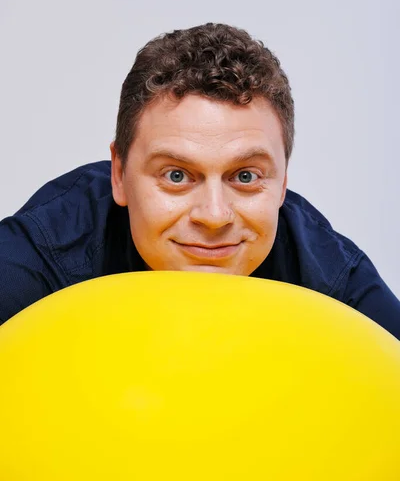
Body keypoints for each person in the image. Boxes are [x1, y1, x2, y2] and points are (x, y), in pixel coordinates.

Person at [0, 23, 399, 339]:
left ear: (282, 185)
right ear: (118, 176)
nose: (214, 216)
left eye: (245, 176)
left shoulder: (330, 278)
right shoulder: (43, 253)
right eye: (176, 176)